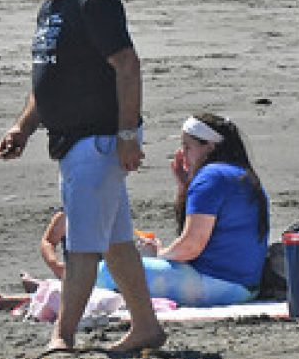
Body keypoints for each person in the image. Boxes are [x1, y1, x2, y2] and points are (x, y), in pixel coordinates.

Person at [0, 0, 166, 355]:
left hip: (99, 139)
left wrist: (127, 133)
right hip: (71, 141)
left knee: (83, 245)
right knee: (114, 241)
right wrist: (23, 126)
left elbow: (127, 65)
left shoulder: (94, 0)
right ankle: (146, 326)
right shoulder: (52, 5)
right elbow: (48, 76)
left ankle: (62, 335)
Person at [97, 114, 270, 306]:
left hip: (217, 285)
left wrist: (157, 255)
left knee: (108, 270)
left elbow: (191, 246)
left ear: (210, 147)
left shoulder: (211, 177)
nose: (182, 153)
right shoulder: (240, 174)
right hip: (243, 286)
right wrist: (184, 186)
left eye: (188, 147)